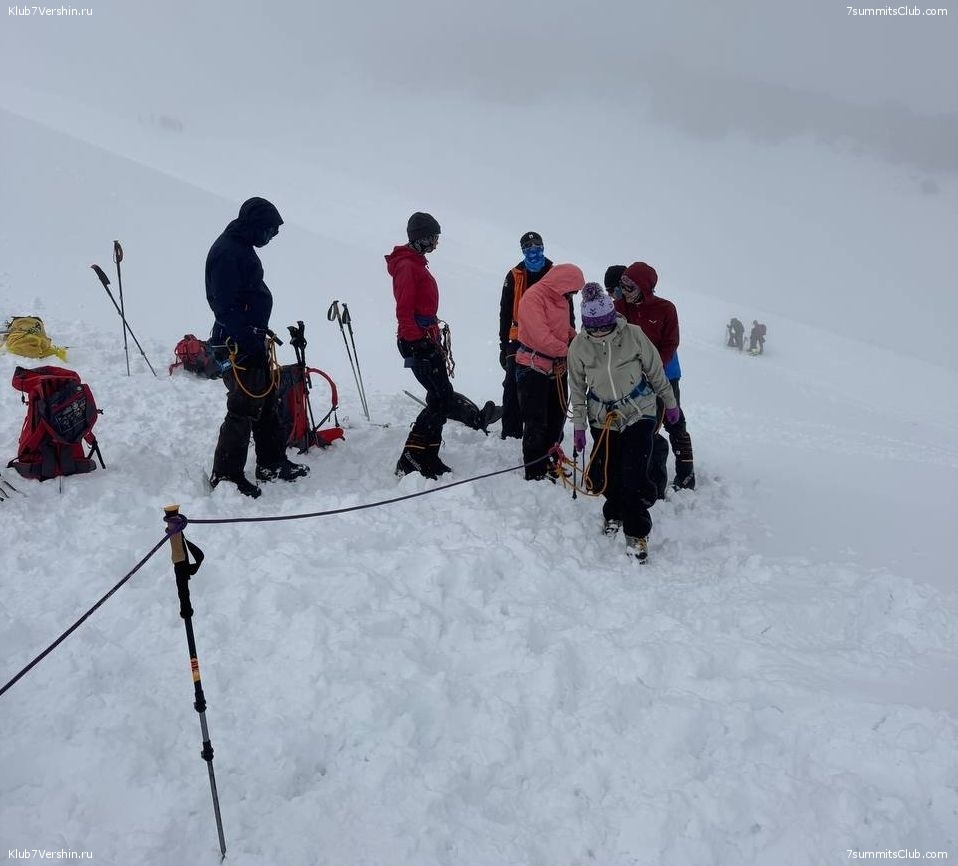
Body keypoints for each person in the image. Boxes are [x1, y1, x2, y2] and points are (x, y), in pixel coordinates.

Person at [206, 197, 309, 498]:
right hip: (237, 343)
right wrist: (246, 336)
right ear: (254, 225)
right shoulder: (227, 252)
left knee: (266, 402)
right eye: (269, 230)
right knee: (243, 407)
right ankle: (226, 475)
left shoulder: (240, 246)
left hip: (251, 338)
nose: (271, 236)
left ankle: (271, 462)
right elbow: (223, 304)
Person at [568, 283, 679, 562]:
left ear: (612, 318)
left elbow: (656, 371)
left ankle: (637, 532)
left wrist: (670, 403)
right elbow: (577, 389)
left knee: (633, 473)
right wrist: (579, 427)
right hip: (602, 417)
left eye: (604, 327)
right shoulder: (579, 346)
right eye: (594, 329)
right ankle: (613, 512)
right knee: (610, 471)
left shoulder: (634, 334)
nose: (600, 333)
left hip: (639, 411)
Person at [387, 212, 503, 479]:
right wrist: (416, 342)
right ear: (421, 238)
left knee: (440, 396)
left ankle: (426, 454)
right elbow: (404, 310)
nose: (436, 243)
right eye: (434, 237)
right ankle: (413, 456)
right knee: (440, 398)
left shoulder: (415, 263)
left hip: (424, 337)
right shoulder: (407, 266)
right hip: (417, 340)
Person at [612, 261, 696, 492]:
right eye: (622, 285)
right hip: (633, 379)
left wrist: (653, 367)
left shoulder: (665, 309)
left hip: (666, 374)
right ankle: (650, 478)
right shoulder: (619, 307)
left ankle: (686, 472)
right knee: (645, 427)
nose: (624, 291)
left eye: (630, 287)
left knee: (674, 421)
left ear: (645, 287)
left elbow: (671, 343)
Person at [514, 263, 584, 480]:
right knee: (536, 420)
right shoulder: (533, 297)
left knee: (557, 417)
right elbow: (540, 337)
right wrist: (570, 352)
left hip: (556, 367)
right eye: (572, 290)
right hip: (532, 367)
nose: (572, 295)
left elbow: (562, 328)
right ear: (563, 284)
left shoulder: (560, 298)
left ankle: (551, 458)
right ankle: (535, 469)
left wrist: (577, 340)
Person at [498, 231, 554, 440]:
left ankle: (547, 432)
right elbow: (505, 311)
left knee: (547, 383)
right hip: (519, 335)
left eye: (537, 245)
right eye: (528, 246)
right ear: (522, 250)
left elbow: (568, 309)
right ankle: (511, 432)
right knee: (512, 383)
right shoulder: (515, 275)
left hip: (548, 335)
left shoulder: (553, 273)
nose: (533, 250)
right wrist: (503, 345)